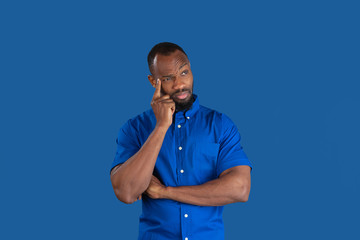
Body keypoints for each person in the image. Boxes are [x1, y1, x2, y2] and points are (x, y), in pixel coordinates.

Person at [110, 42, 252, 240]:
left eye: (184, 73)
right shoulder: (134, 128)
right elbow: (126, 192)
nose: (179, 84)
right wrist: (160, 127)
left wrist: (164, 191)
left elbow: (240, 189)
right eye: (168, 78)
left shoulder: (220, 125)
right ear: (153, 81)